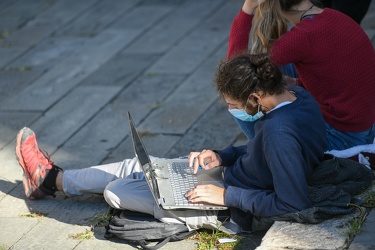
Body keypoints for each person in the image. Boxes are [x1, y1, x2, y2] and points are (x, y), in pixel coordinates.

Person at [17, 53, 342, 234]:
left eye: (233, 104)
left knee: (117, 191)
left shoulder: (278, 133)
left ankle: (52, 181)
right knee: (144, 168)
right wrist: (222, 154)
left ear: (255, 97)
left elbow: (293, 204)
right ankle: (49, 179)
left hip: (230, 208)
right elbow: (266, 154)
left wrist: (226, 195)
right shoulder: (299, 96)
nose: (232, 109)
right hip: (231, 180)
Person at [227, 0, 375, 151]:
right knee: (279, 68)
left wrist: (247, 9)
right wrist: (297, 83)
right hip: (365, 125)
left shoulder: (302, 37)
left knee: (239, 100)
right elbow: (338, 77)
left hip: (343, 139)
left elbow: (234, 75)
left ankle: (266, 152)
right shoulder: (336, 17)